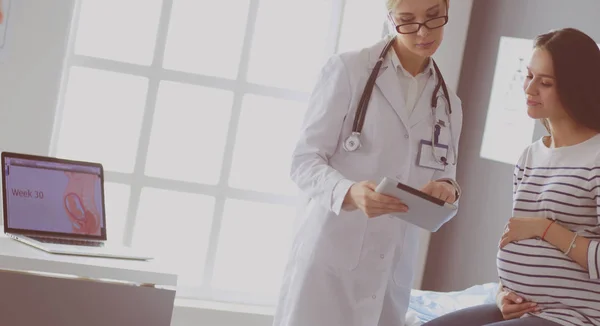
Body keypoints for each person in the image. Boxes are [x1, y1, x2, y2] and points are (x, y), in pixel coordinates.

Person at [272, 0, 464, 325]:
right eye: (407, 20)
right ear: (390, 19)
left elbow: (446, 176)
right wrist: (349, 192)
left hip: (391, 267)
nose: (422, 32)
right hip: (330, 260)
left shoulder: (449, 104)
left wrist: (447, 190)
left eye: (434, 18)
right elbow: (304, 161)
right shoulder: (348, 70)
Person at [421, 27, 600, 326]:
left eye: (545, 82)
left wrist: (545, 229)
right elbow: (518, 242)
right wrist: (502, 294)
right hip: (521, 309)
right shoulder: (530, 157)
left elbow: (533, 232)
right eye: (529, 76)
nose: (529, 89)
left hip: (574, 318)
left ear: (576, 87)